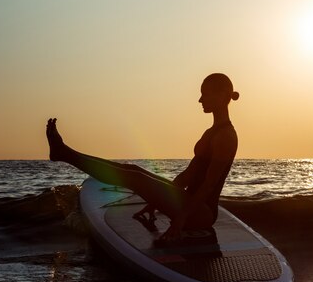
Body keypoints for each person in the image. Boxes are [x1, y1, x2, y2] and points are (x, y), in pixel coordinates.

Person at [46, 73, 239, 242]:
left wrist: (180, 219)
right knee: (134, 170)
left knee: (135, 178)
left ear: (222, 95)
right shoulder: (212, 132)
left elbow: (209, 185)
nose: (200, 99)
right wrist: (155, 202)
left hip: (201, 214)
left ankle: (65, 154)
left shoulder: (226, 137)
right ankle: (64, 153)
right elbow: (187, 176)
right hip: (189, 204)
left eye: (205, 93)